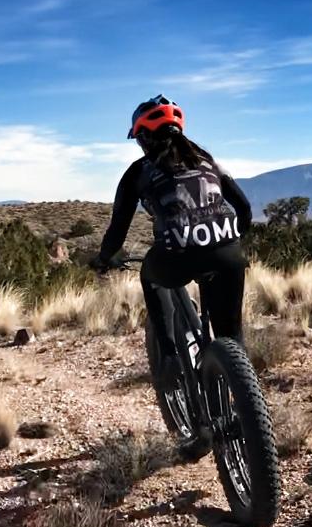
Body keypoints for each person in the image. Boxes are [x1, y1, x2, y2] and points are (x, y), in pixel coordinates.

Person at [91, 94, 253, 352]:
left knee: (149, 275)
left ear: (144, 137)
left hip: (175, 257)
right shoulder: (207, 159)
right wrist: (231, 239)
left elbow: (118, 229)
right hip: (227, 253)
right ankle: (243, 385)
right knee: (231, 335)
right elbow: (243, 208)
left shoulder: (138, 171)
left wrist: (102, 259)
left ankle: (168, 354)